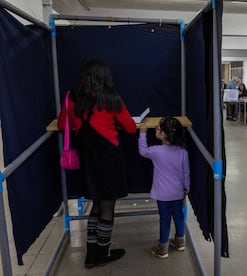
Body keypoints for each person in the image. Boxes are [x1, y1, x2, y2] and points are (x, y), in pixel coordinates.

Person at [57, 59, 137, 268]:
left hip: (88, 162)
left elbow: (61, 124)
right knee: (107, 207)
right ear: (106, 78)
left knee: (95, 205)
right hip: (110, 160)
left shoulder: (72, 99)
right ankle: (103, 254)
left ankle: (90, 255)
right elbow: (130, 127)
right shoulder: (112, 100)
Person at [139, 117, 190, 259]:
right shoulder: (183, 152)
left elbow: (142, 151)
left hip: (162, 194)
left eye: (158, 128)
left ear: (164, 135)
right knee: (179, 217)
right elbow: (186, 172)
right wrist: (187, 187)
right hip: (178, 193)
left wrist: (142, 133)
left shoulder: (156, 151)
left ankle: (163, 249)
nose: (156, 128)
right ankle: (180, 243)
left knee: (165, 219)